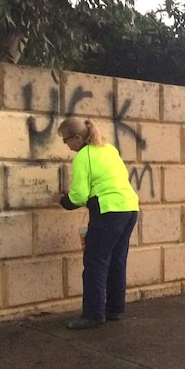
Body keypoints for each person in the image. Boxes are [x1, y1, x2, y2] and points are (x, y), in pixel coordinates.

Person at [51, 117, 139, 330]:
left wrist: (62, 200)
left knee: (95, 263)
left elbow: (79, 196)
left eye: (66, 140)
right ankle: (114, 309)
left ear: (78, 137)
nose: (66, 145)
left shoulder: (83, 156)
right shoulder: (109, 149)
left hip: (107, 211)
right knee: (117, 260)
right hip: (129, 208)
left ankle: (92, 315)